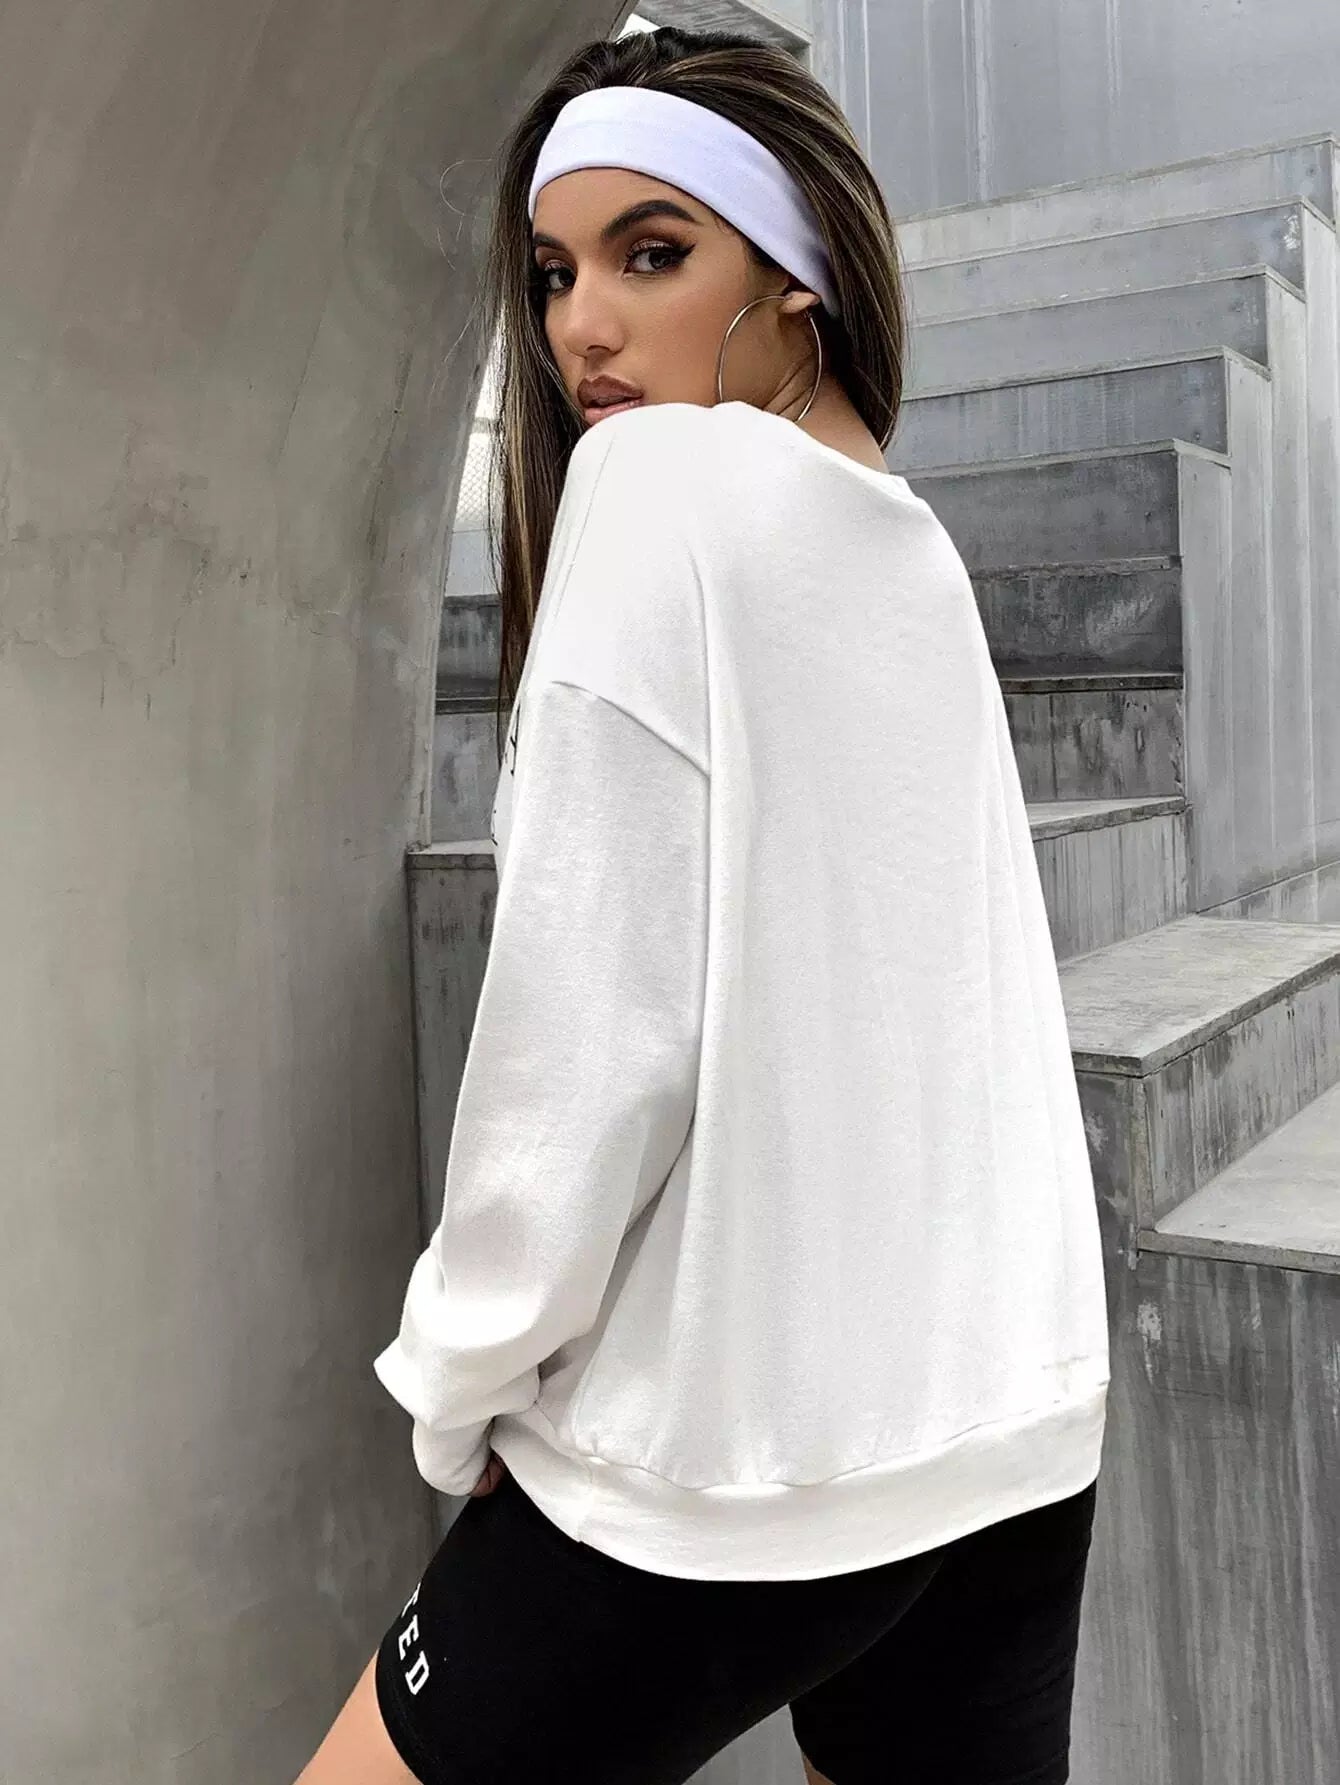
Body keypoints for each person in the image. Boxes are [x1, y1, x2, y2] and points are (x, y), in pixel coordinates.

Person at [295, 25, 1111, 1785]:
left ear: (795, 269)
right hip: (1011, 1441)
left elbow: (586, 1039)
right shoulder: (909, 543)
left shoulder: (655, 487)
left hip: (725, 1468)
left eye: (651, 253)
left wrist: (465, 1379)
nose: (582, 325)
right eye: (553, 272)